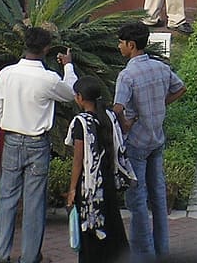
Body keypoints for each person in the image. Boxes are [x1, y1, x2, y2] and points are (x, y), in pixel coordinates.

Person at [0, 28, 78, 263]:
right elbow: (70, 93)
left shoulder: (6, 74)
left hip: (13, 140)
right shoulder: (48, 79)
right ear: (46, 49)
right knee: (34, 203)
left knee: (6, 198)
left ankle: (0, 253)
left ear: (24, 45)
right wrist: (68, 66)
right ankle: (29, 256)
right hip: (38, 144)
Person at [113, 20, 185, 259]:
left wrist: (125, 123)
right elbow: (180, 88)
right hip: (156, 139)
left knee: (137, 201)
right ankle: (162, 250)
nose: (119, 46)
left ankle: (143, 254)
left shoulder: (127, 75)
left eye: (121, 42)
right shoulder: (160, 67)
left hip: (136, 142)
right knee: (158, 196)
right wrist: (160, 104)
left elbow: (118, 107)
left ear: (131, 45)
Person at [65, 74, 131, 262]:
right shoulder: (108, 116)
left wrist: (72, 189)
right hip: (107, 178)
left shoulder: (81, 121)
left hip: (89, 184)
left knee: (91, 227)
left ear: (79, 97)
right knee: (111, 222)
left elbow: (79, 159)